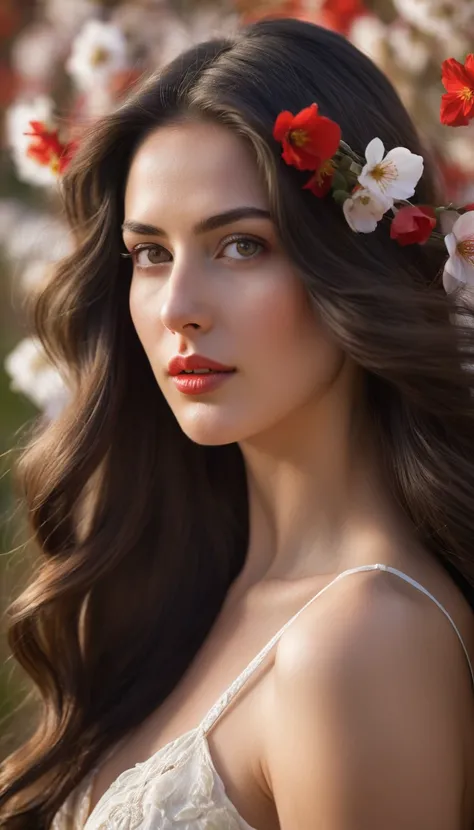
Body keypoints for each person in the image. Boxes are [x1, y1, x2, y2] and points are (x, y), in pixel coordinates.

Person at [1, 15, 474, 830]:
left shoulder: (365, 642)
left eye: (242, 246)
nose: (179, 308)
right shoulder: (177, 599)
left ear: (353, 261)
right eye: (151, 254)